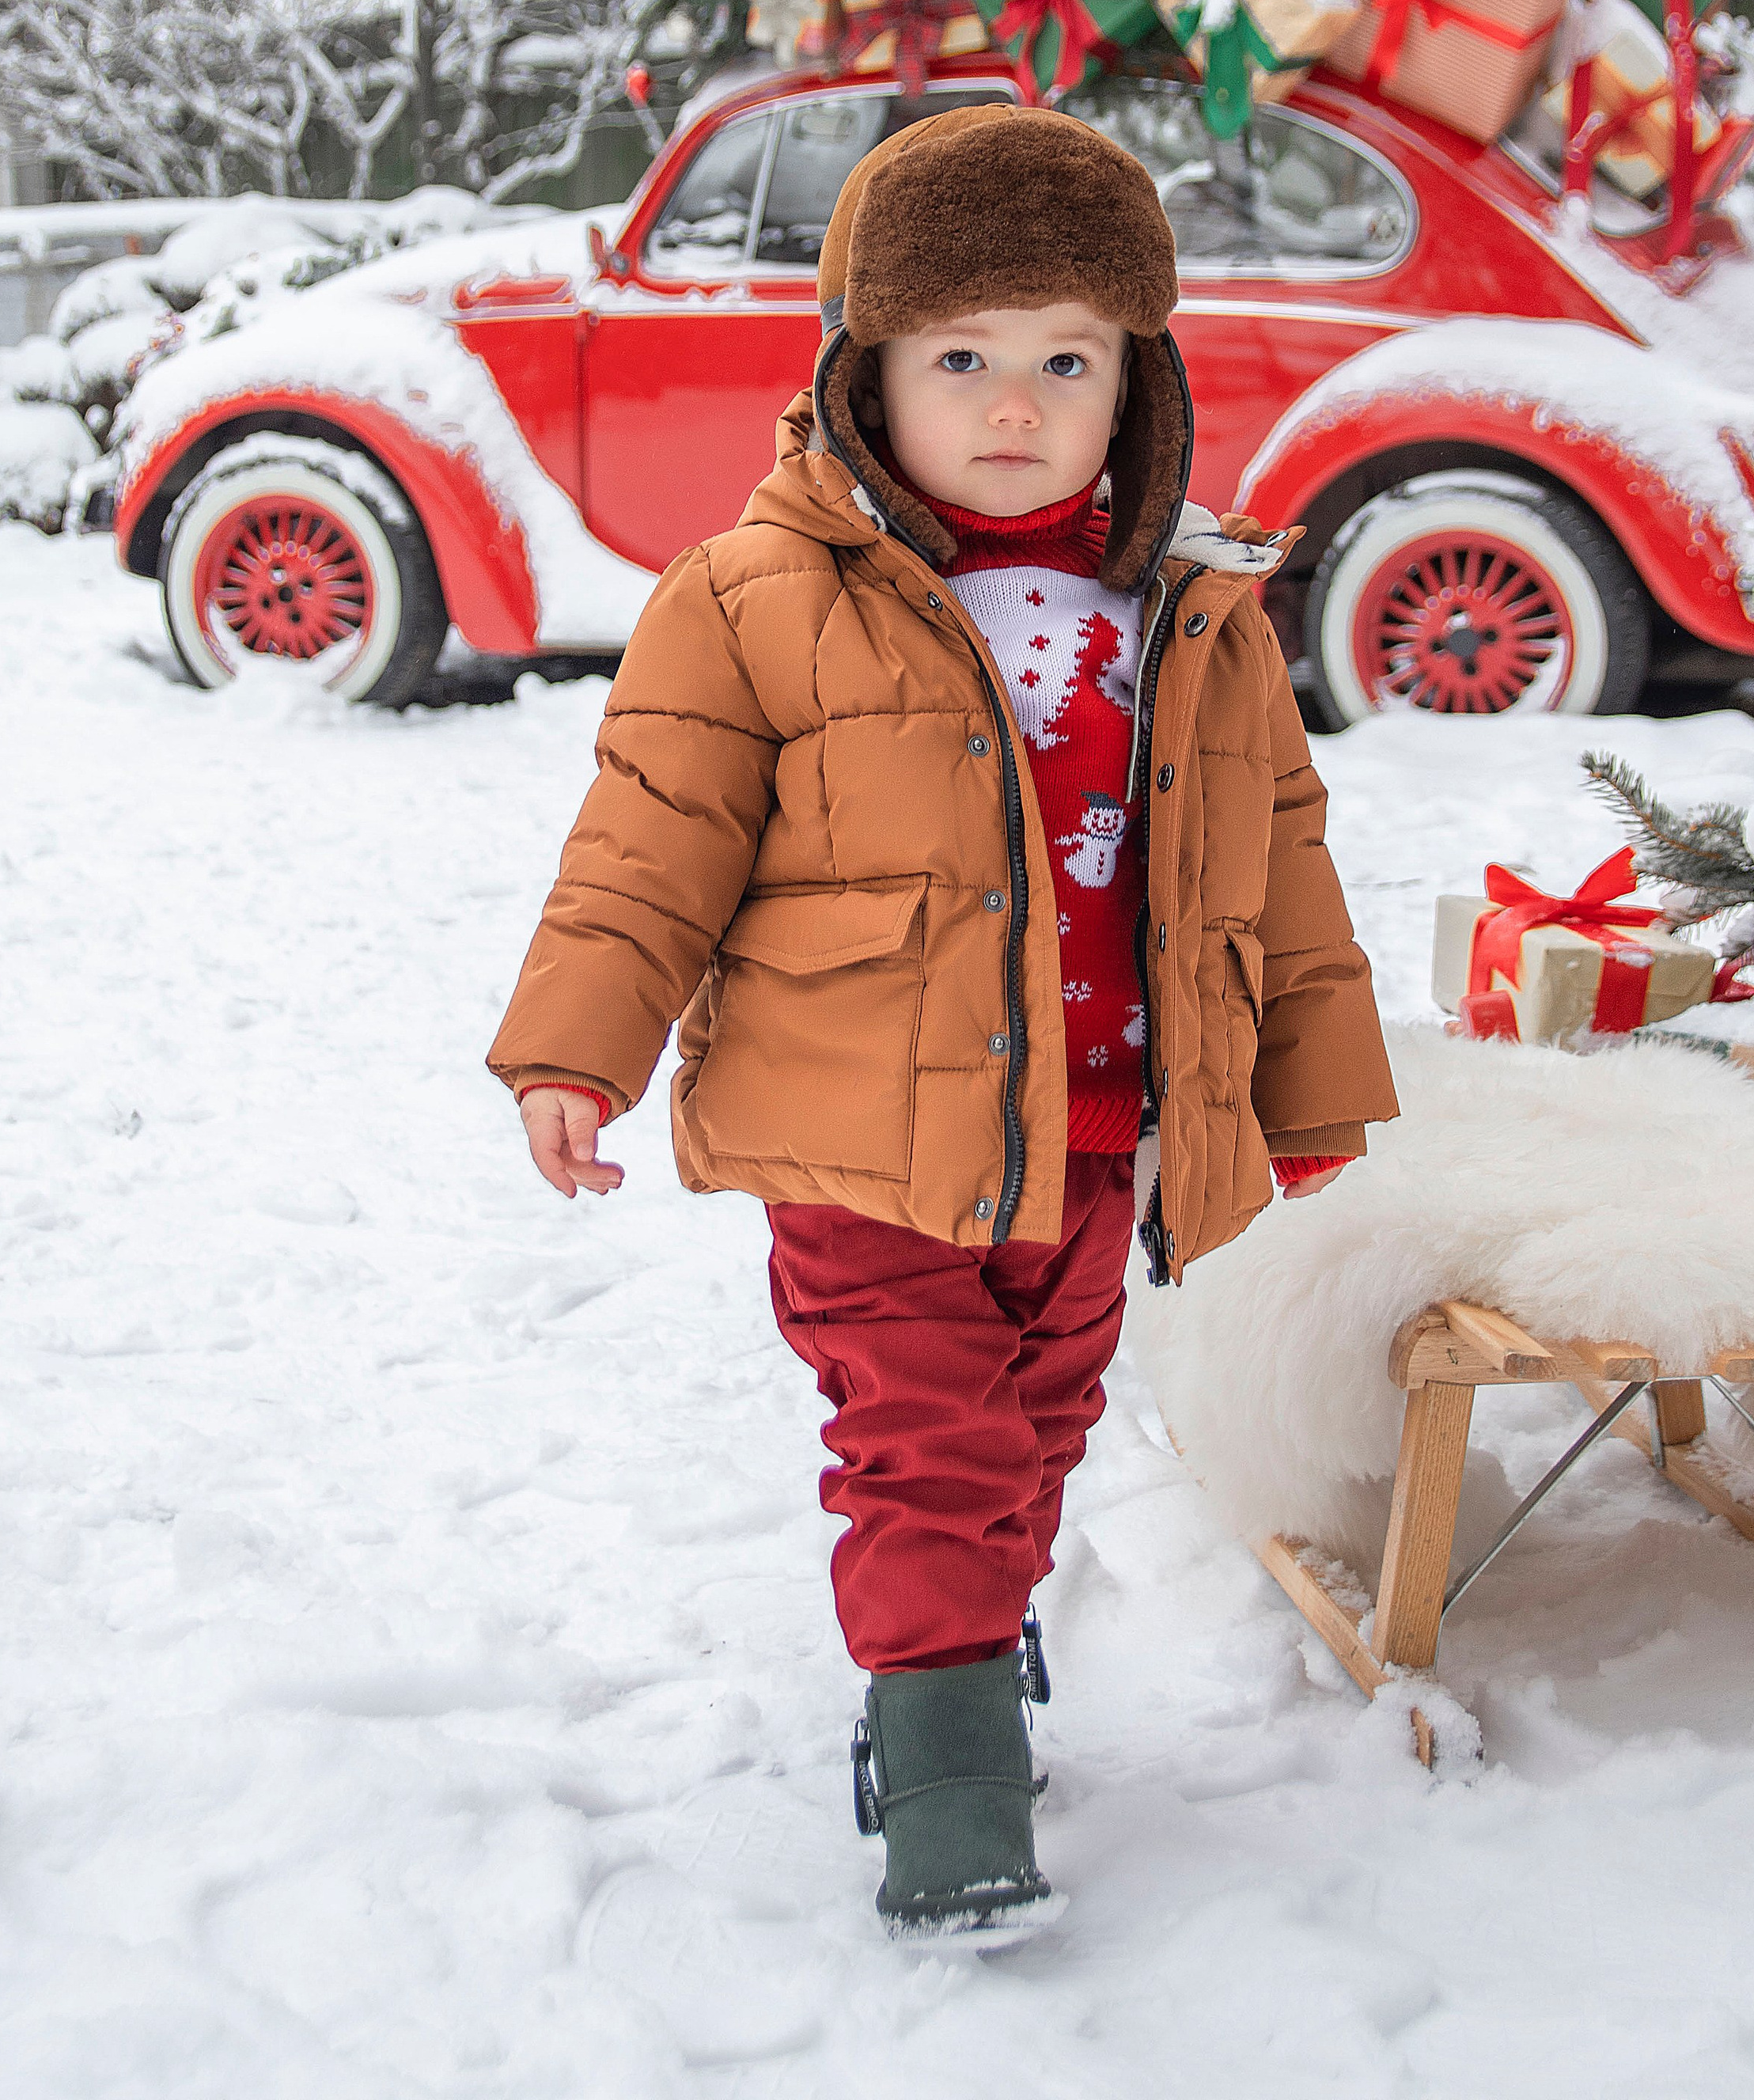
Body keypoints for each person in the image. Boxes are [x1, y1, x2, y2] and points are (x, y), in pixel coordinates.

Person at [489, 100, 1395, 1945]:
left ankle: (969, 1628)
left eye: (1064, 358)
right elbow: (647, 841)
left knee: (1040, 1424)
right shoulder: (750, 602)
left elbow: (1267, 871)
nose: (1012, 402)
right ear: (863, 375)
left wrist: (1301, 1089)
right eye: (958, 356)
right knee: (930, 1441)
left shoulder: (1189, 616)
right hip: (856, 1140)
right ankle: (947, 1769)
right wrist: (576, 1043)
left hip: (1093, 1132)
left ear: (1134, 380)